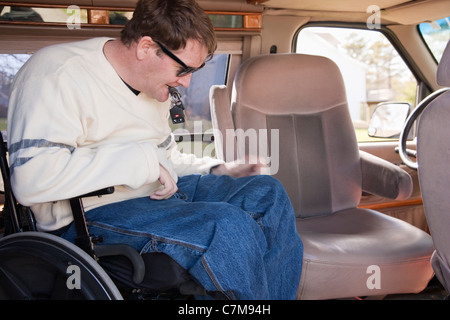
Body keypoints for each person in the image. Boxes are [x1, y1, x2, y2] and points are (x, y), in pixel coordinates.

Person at [7, 0, 302, 299]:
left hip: (157, 196)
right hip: (88, 215)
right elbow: (33, 181)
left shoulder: (153, 88)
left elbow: (165, 160)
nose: (186, 82)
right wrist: (142, 162)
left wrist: (218, 169)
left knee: (267, 193)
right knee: (227, 225)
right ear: (146, 47)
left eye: (196, 70)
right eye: (182, 68)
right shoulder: (56, 73)